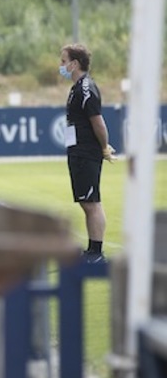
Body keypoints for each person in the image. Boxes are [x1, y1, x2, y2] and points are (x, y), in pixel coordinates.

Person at [60, 43, 116, 263]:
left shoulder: (86, 88)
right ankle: (92, 250)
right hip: (78, 151)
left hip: (86, 152)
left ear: (74, 64)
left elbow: (98, 122)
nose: (61, 66)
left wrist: (104, 147)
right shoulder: (77, 88)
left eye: (63, 61)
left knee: (91, 203)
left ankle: (96, 252)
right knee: (86, 202)